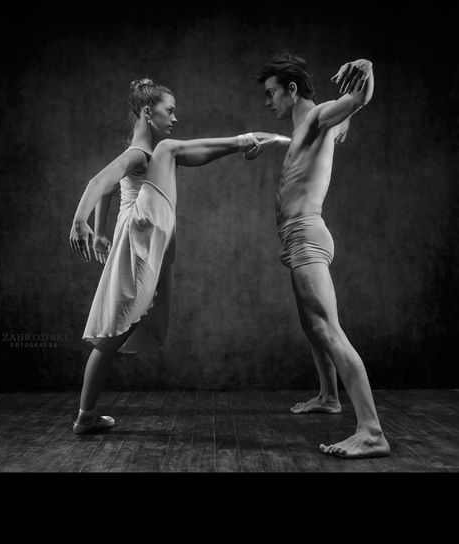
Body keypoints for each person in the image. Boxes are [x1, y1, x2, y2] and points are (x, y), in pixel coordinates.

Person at [69, 77, 290, 434]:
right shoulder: (142, 153)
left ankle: (85, 416)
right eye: (168, 110)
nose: (174, 117)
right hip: (141, 231)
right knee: (170, 149)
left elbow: (109, 189)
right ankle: (247, 140)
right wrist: (81, 223)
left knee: (109, 340)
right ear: (147, 111)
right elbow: (97, 184)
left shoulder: (137, 153)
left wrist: (100, 232)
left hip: (139, 231)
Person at [257, 52, 390, 458]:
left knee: (327, 328)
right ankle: (329, 396)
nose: (268, 102)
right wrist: (273, 140)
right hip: (297, 238)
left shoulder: (317, 117)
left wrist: (366, 66)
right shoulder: (305, 128)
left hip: (307, 235)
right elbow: (302, 145)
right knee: (311, 325)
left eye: (271, 94)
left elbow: (356, 102)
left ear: (291, 89)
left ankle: (371, 431)